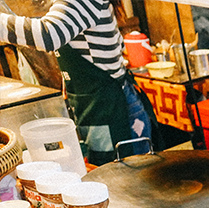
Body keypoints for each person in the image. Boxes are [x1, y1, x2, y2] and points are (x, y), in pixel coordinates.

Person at [0, 0, 158, 165]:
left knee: (126, 179)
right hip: (98, 107)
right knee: (108, 175)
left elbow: (48, 35)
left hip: (115, 111)